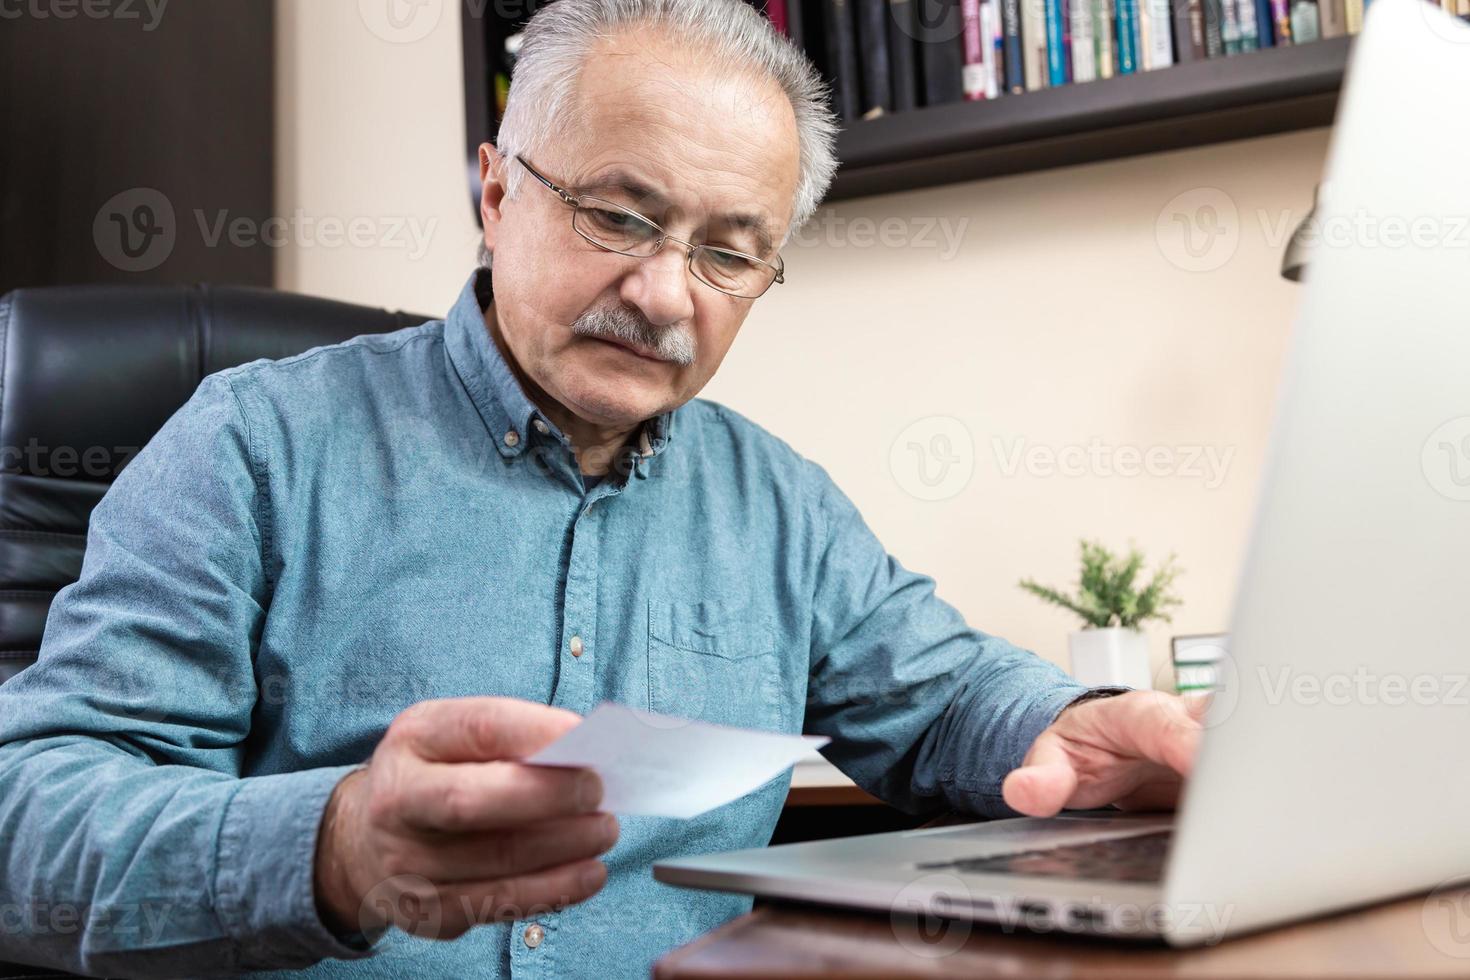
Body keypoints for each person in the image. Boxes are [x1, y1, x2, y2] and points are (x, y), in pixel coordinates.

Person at [0, 0, 1203, 975]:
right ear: (495, 190)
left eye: (730, 251)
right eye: (619, 215)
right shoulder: (254, 445)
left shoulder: (778, 504)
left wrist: (1062, 722)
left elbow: (943, 696)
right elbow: (32, 820)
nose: (669, 293)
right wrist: (337, 849)